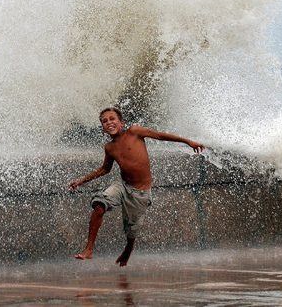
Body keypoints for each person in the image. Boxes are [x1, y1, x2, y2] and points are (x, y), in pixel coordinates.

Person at [69, 107, 205, 266]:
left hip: (140, 193)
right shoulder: (109, 147)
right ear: (103, 128)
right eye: (104, 121)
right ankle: (89, 249)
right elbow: (105, 169)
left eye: (112, 119)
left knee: (131, 230)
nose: (109, 123)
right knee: (99, 204)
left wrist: (188, 142)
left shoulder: (135, 132)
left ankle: (128, 248)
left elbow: (160, 135)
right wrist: (81, 181)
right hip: (122, 186)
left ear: (121, 122)